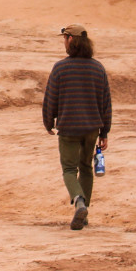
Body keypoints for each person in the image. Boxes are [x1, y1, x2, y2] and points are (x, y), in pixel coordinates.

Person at [42, 22, 112, 231]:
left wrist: (48, 121)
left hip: (69, 126)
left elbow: (51, 98)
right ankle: (85, 214)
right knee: (86, 168)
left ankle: (79, 201)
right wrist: (105, 131)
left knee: (69, 169)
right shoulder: (98, 68)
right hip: (91, 127)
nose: (64, 42)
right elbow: (105, 102)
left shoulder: (61, 68)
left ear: (70, 40)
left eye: (64, 38)